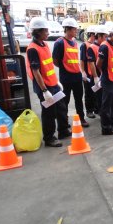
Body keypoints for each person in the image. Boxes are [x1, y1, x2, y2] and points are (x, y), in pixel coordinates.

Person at [25, 17, 70, 147]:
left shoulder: (44, 45)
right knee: (49, 112)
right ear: (38, 32)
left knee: (61, 108)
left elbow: (48, 67)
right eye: (45, 31)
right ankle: (49, 138)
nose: (48, 33)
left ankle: (63, 130)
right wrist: (44, 91)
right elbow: (36, 72)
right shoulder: (33, 49)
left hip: (53, 84)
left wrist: (56, 82)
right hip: (44, 86)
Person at [52, 17, 89, 127]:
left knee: (78, 99)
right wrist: (64, 68)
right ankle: (64, 122)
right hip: (66, 76)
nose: (76, 31)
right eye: (74, 29)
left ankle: (81, 119)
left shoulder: (74, 42)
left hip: (76, 75)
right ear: (67, 29)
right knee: (65, 101)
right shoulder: (59, 43)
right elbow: (55, 60)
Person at [86, 25, 109, 115]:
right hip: (97, 75)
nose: (106, 39)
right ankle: (99, 112)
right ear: (99, 36)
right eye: (105, 37)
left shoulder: (103, 46)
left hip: (103, 75)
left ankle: (100, 111)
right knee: (97, 96)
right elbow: (91, 63)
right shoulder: (92, 47)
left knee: (102, 95)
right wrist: (95, 77)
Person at [80, 25, 96, 118]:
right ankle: (89, 111)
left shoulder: (96, 45)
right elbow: (82, 60)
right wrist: (83, 72)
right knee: (89, 93)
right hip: (88, 74)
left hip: (94, 73)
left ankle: (95, 108)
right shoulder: (85, 45)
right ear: (92, 35)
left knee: (95, 92)